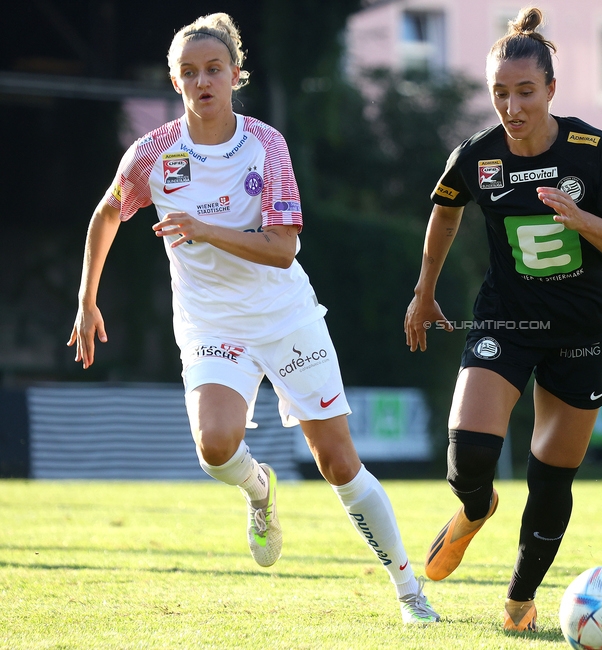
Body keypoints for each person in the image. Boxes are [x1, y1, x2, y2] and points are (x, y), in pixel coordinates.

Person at [68, 13, 438, 625]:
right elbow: (107, 215)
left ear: (236, 76)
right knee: (215, 447)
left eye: (214, 69)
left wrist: (204, 229)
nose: (202, 81)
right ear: (174, 80)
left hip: (283, 312)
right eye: (189, 72)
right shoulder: (152, 154)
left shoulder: (265, 145)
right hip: (211, 323)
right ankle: (259, 490)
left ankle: (409, 593)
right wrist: (87, 300)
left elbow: (284, 247)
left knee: (338, 462)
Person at [403, 6, 602, 633]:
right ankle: (475, 509)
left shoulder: (592, 151)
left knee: (550, 476)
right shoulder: (477, 156)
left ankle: (519, 602)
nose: (512, 107)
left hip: (580, 333)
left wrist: (582, 219)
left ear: (551, 90)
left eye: (525, 92)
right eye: (500, 93)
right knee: (469, 454)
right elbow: (446, 211)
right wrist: (424, 291)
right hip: (505, 322)